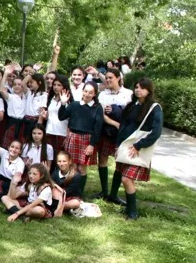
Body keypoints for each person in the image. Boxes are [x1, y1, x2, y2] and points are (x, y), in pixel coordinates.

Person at [106, 78, 163, 220]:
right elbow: (123, 126)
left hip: (138, 148)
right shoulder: (131, 105)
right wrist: (118, 144)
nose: (138, 90)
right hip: (125, 146)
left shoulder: (155, 108)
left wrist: (139, 145)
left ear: (149, 90)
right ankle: (127, 208)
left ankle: (132, 212)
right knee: (121, 174)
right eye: (136, 87)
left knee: (126, 179)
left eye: (142, 88)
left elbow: (156, 132)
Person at [94, 68, 133, 200]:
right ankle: (104, 191)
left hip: (122, 134)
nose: (108, 80)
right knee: (103, 159)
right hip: (107, 131)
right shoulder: (103, 95)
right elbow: (101, 114)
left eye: (111, 77)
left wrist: (119, 111)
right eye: (107, 78)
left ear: (118, 78)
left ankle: (114, 194)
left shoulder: (128, 94)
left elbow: (131, 113)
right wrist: (115, 124)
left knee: (119, 161)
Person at [58, 83, 103, 191]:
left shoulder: (97, 108)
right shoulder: (74, 105)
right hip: (73, 138)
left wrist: (92, 144)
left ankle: (79, 192)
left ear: (95, 94)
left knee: (81, 168)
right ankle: (69, 190)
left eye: (90, 92)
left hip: (87, 140)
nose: (87, 94)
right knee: (72, 167)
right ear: (82, 91)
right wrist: (63, 104)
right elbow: (61, 117)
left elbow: (98, 128)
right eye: (85, 91)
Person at [41, 76, 70, 160]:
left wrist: (68, 136)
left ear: (64, 86)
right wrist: (45, 116)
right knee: (48, 159)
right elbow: (50, 116)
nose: (56, 87)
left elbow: (71, 120)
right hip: (49, 132)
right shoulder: (50, 99)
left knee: (60, 159)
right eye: (54, 85)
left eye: (59, 85)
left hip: (62, 134)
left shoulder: (69, 101)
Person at [51, 151, 85, 216]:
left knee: (76, 203)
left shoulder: (76, 176)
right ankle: (59, 207)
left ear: (70, 161)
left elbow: (69, 191)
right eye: (59, 161)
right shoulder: (55, 173)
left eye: (64, 161)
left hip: (70, 197)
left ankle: (57, 207)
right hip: (57, 196)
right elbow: (51, 185)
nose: (61, 163)